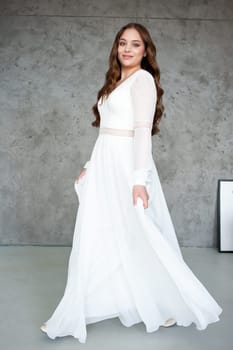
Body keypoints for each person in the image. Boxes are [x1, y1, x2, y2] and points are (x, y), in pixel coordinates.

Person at [40, 22, 222, 344]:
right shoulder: (114, 81)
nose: (127, 49)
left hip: (127, 165)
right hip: (105, 163)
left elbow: (141, 133)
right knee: (102, 230)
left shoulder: (143, 80)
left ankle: (165, 302)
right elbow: (106, 131)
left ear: (145, 50)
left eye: (135, 44)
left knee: (138, 230)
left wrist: (139, 181)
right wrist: (90, 165)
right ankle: (88, 305)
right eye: (122, 43)